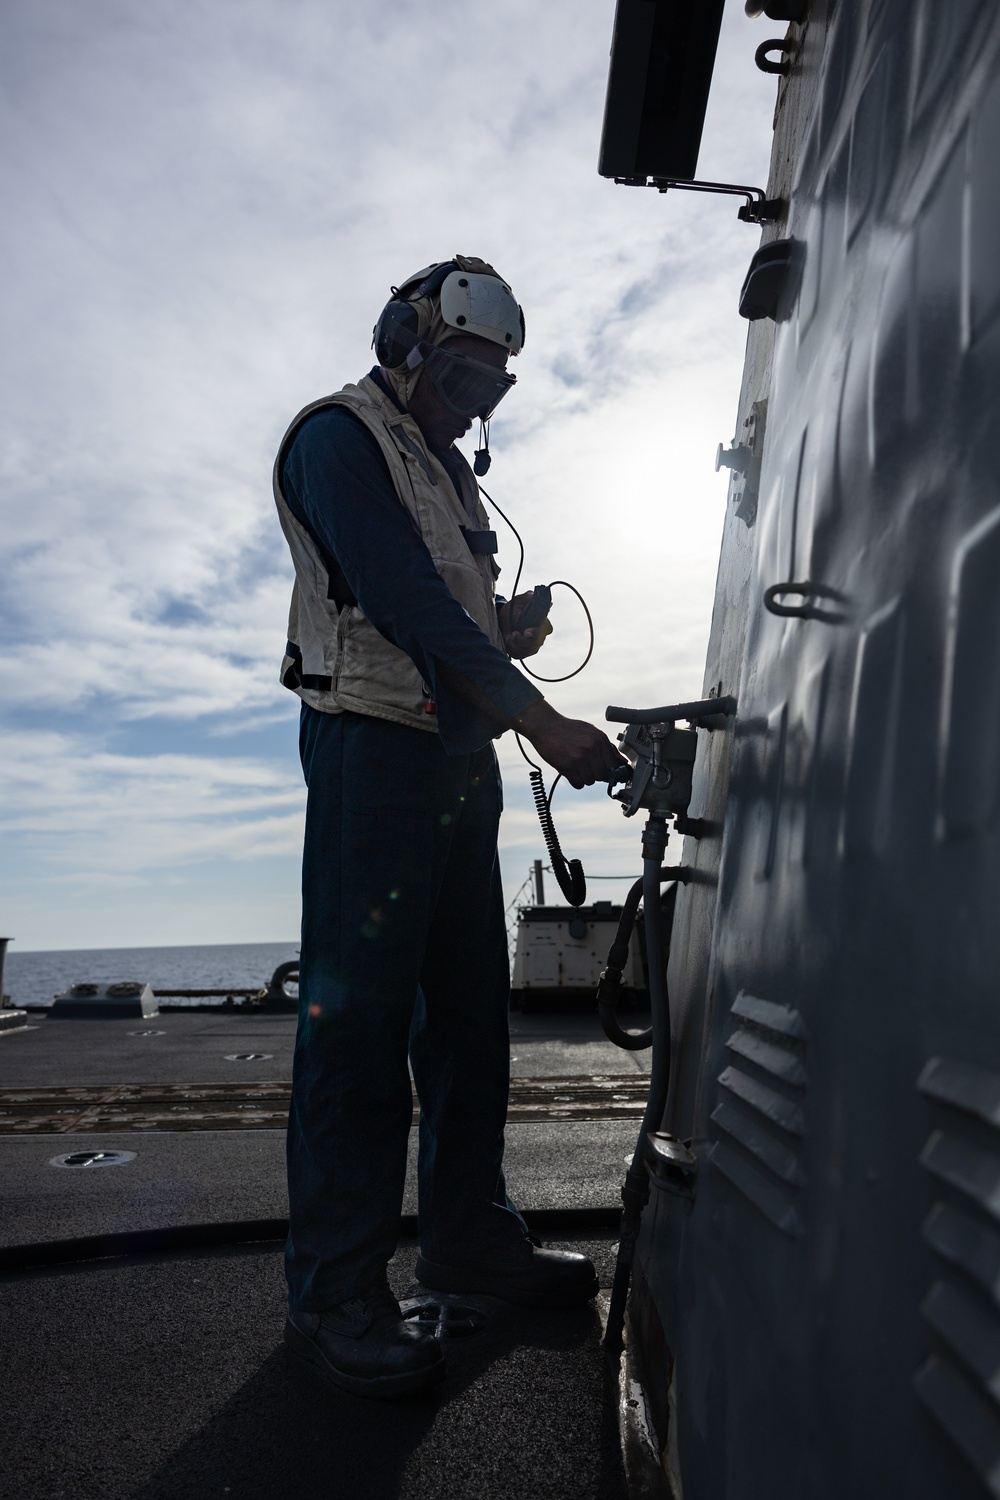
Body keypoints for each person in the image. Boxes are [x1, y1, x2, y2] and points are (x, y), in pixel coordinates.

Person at [273, 255, 625, 1399]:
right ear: (405, 339)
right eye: (464, 376)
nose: (474, 405)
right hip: (373, 755)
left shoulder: (448, 478)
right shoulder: (338, 440)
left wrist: (508, 639)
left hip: (454, 766)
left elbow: (451, 617)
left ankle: (470, 1235)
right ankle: (336, 1292)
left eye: (493, 390)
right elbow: (405, 604)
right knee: (359, 1032)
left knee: (471, 1020)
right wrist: (545, 718)